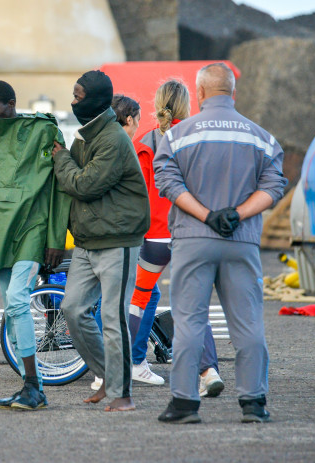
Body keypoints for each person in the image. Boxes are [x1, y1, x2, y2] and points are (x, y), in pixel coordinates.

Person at [154, 63, 287, 424]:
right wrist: (237, 214)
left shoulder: (178, 136)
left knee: (190, 322)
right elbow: (273, 187)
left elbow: (168, 182)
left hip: (194, 239)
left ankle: (184, 404)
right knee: (247, 324)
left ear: (198, 94)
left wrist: (208, 215)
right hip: (241, 241)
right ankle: (254, 404)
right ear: (233, 93)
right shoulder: (261, 137)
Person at [0, 80, 69, 411]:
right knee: (12, 306)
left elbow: (59, 188)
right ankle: (29, 387)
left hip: (32, 228)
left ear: (11, 103)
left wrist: (55, 238)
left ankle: (33, 385)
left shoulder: (45, 131)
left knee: (19, 300)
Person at [51, 70, 150, 412]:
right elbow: (70, 182)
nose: (73, 102)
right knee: (73, 309)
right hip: (88, 239)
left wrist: (59, 156)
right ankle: (107, 377)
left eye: (78, 96)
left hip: (118, 240)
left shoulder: (112, 139)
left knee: (113, 317)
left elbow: (83, 185)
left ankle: (123, 394)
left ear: (95, 99)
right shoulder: (86, 136)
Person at [121, 84, 225, 396]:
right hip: (190, 233)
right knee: (193, 305)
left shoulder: (144, 143)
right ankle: (208, 372)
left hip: (153, 236)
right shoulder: (199, 138)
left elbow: (136, 193)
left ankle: (127, 363)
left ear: (156, 105)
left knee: (138, 300)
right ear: (187, 105)